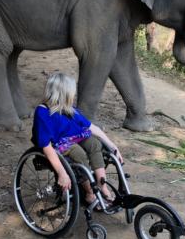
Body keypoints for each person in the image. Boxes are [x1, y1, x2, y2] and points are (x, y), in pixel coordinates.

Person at [32, 72, 123, 209]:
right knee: (78, 153)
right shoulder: (43, 112)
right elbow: (46, 146)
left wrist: (112, 145)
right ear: (63, 94)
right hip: (56, 144)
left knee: (94, 143)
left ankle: (102, 186)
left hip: (73, 138)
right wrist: (62, 173)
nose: (73, 96)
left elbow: (91, 127)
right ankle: (90, 193)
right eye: (72, 93)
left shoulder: (70, 109)